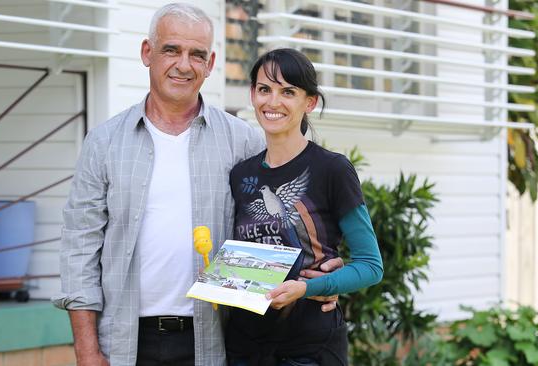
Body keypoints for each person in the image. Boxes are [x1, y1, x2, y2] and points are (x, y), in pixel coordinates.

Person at [51, 4, 341, 366]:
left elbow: (283, 227)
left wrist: (323, 277)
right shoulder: (104, 143)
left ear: (210, 63)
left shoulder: (243, 142)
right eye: (171, 50)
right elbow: (80, 247)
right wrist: (87, 350)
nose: (184, 64)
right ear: (147, 53)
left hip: (216, 341)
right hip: (124, 343)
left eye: (197, 54)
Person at [226, 48, 384, 366]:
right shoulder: (240, 174)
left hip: (310, 346)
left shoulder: (333, 169)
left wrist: (309, 287)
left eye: (288, 91)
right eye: (264, 89)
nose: (273, 102)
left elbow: (370, 266)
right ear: (252, 95)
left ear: (309, 102)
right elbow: (246, 261)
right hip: (246, 344)